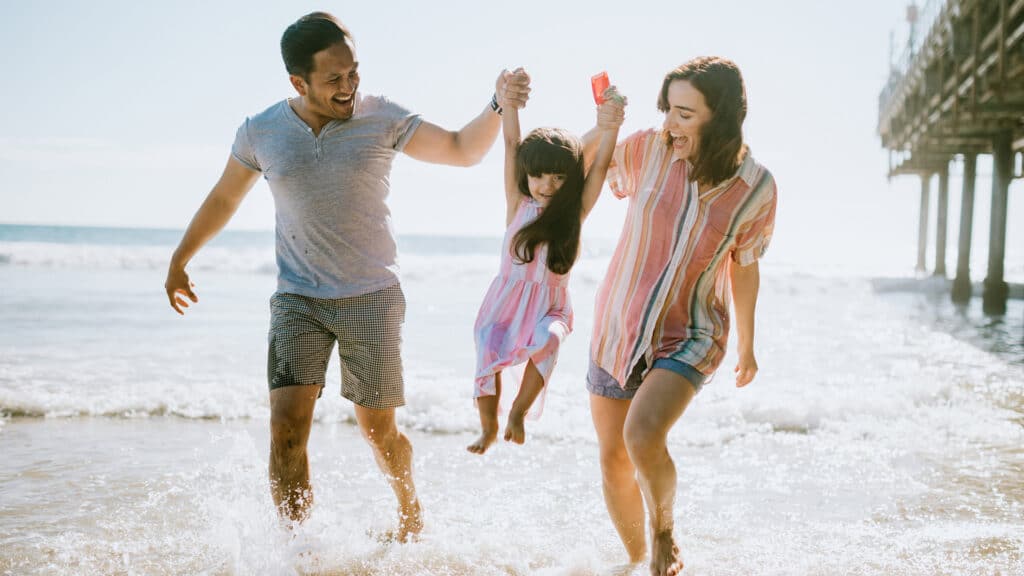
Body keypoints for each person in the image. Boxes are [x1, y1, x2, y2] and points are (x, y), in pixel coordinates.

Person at [163, 12, 530, 541]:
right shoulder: (260, 131)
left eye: (353, 73)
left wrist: (497, 104)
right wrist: (180, 258)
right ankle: (298, 551)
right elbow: (225, 197)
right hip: (297, 299)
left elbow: (460, 149)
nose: (348, 87)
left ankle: (409, 513)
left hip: (372, 296)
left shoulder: (380, 117)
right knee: (286, 432)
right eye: (333, 79)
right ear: (298, 82)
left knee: (379, 433)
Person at [584, 56, 777, 575]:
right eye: (668, 109)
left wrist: (748, 346)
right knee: (613, 460)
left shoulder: (755, 187)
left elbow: (747, 265)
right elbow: (583, 164)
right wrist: (604, 128)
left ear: (722, 117)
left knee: (642, 435)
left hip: (691, 332)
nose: (671, 123)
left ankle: (663, 532)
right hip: (617, 324)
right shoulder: (648, 148)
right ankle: (634, 564)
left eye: (686, 114)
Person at [467, 70, 627, 455]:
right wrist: (509, 105)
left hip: (549, 306)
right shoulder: (517, 204)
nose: (547, 185)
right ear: (527, 175)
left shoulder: (575, 213)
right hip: (504, 301)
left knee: (550, 340)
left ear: (570, 179)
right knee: (488, 353)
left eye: (558, 177)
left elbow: (601, 166)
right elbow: (510, 143)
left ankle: (518, 413)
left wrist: (611, 126)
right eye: (538, 176)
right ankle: (488, 427)